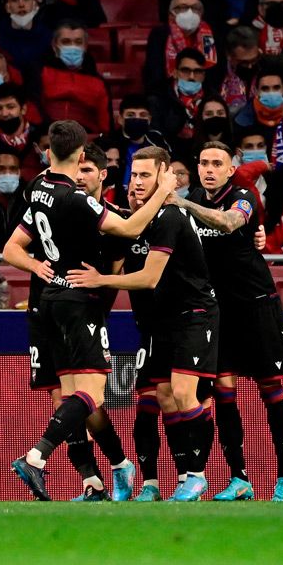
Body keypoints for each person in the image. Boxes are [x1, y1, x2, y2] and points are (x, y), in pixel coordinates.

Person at [3, 120, 175, 501]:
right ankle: (40, 457)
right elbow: (130, 230)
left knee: (73, 395)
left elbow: (14, 247)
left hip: (58, 303)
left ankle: (103, 474)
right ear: (80, 157)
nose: (82, 173)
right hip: (69, 303)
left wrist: (39, 268)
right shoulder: (77, 201)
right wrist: (163, 190)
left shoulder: (39, 189)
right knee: (90, 393)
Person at [63, 145, 218, 502]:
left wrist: (99, 280)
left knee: (181, 393)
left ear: (165, 177)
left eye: (146, 175)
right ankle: (151, 484)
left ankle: (195, 476)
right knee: (153, 400)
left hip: (193, 316)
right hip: (155, 323)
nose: (136, 182)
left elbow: (148, 278)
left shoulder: (170, 218)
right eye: (133, 175)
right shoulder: (136, 223)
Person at [172, 140, 283, 501]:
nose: (209, 169)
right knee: (224, 392)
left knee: (269, 390)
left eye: (217, 163)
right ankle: (239, 478)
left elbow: (230, 223)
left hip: (256, 304)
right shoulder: (195, 196)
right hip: (218, 310)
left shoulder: (243, 196)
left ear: (231, 169)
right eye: (204, 162)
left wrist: (182, 202)